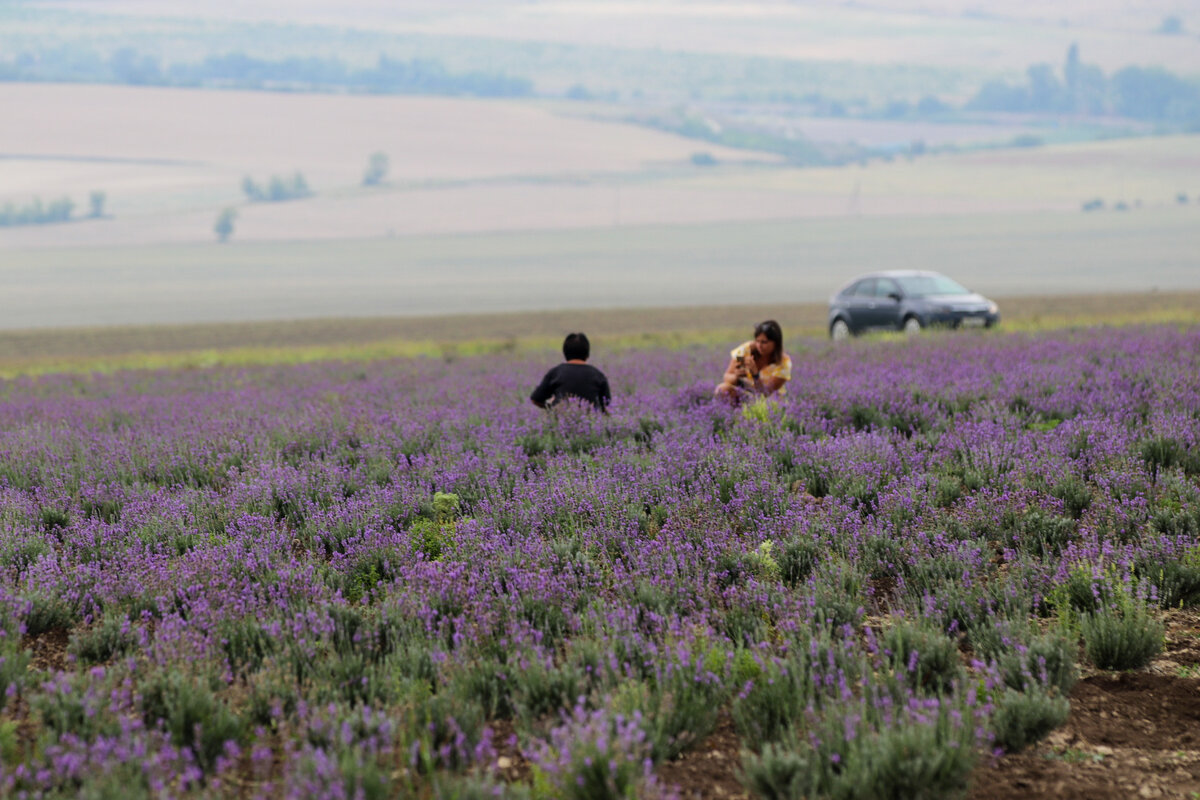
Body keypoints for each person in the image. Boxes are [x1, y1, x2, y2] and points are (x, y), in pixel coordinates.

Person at [715, 319, 792, 403]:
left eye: (764, 342)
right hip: (746, 392)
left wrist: (755, 375)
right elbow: (727, 376)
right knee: (722, 389)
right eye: (757, 341)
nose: (759, 345)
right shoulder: (745, 351)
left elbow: (765, 394)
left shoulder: (783, 362)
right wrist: (736, 376)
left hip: (769, 402)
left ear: (776, 343)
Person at [531, 332, 611, 412]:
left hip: (561, 419)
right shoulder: (598, 375)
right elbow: (606, 403)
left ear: (565, 352)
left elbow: (536, 399)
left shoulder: (556, 373)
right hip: (591, 421)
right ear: (587, 354)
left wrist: (552, 408)